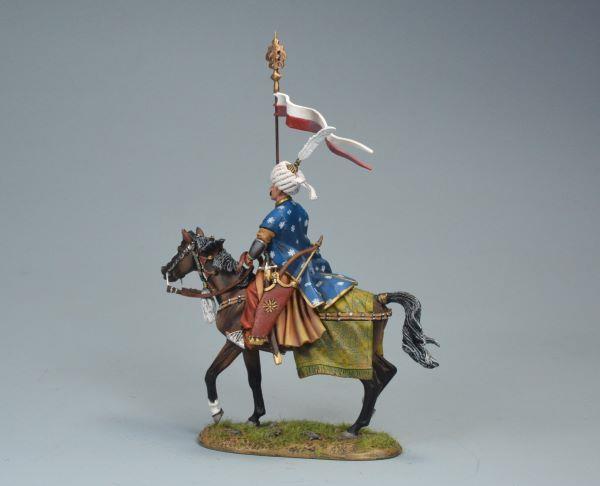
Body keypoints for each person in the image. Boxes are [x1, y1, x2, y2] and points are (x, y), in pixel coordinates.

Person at [226, 159, 357, 349]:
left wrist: (249, 258)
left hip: (284, 264)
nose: (270, 188)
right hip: (302, 259)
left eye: (273, 185)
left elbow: (261, 241)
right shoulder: (299, 209)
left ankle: (253, 335)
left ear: (280, 188)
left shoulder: (277, 214)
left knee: (254, 290)